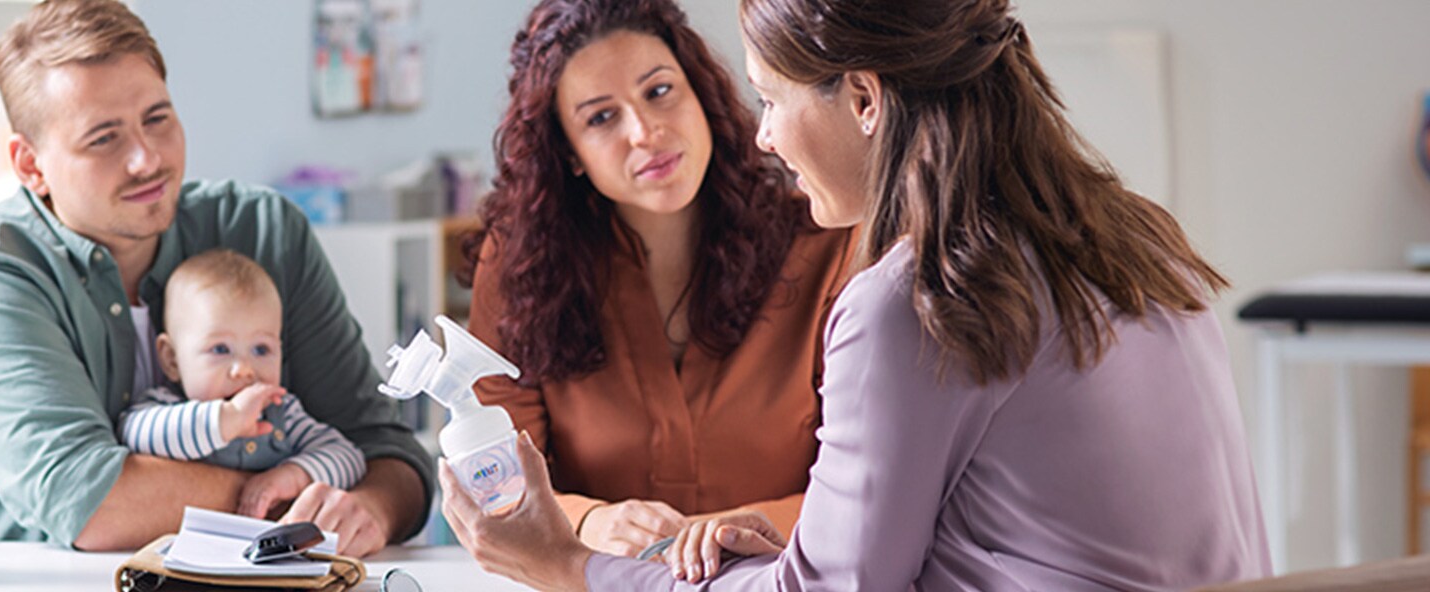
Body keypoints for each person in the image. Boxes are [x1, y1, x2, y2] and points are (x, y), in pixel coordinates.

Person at [440, 0, 1270, 589]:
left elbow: (827, 589)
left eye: (770, 99)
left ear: (866, 99)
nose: (762, 133)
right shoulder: (1140, 238)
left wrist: (572, 567)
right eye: (599, 118)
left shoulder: (917, 297)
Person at [0, 0, 432, 555]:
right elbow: (91, 504)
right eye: (103, 138)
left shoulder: (263, 233)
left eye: (157, 119)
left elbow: (388, 454)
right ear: (30, 165)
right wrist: (283, 500)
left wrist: (369, 509)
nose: (146, 159)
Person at [462, 0, 855, 558]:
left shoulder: (825, 241)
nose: (645, 132)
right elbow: (496, 483)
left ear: (700, 93)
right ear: (570, 153)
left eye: (659, 91)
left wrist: (719, 535)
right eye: (601, 118)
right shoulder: (518, 267)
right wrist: (591, 522)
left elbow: (874, 484)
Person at [115, 249, 367, 519]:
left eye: (261, 349)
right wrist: (224, 420)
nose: (245, 370)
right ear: (172, 360)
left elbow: (349, 457)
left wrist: (294, 475)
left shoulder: (280, 413)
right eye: (221, 349)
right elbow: (132, 433)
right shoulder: (164, 406)